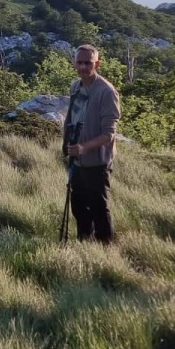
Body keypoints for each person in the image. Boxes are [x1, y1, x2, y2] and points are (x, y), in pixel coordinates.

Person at [62, 45, 122, 243]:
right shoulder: (75, 87)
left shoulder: (106, 91)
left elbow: (109, 133)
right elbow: (71, 117)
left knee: (98, 206)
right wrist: (68, 145)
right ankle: (84, 242)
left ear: (97, 63)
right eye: (79, 62)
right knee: (78, 205)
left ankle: (106, 247)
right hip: (77, 159)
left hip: (98, 161)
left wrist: (84, 147)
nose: (83, 67)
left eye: (88, 63)